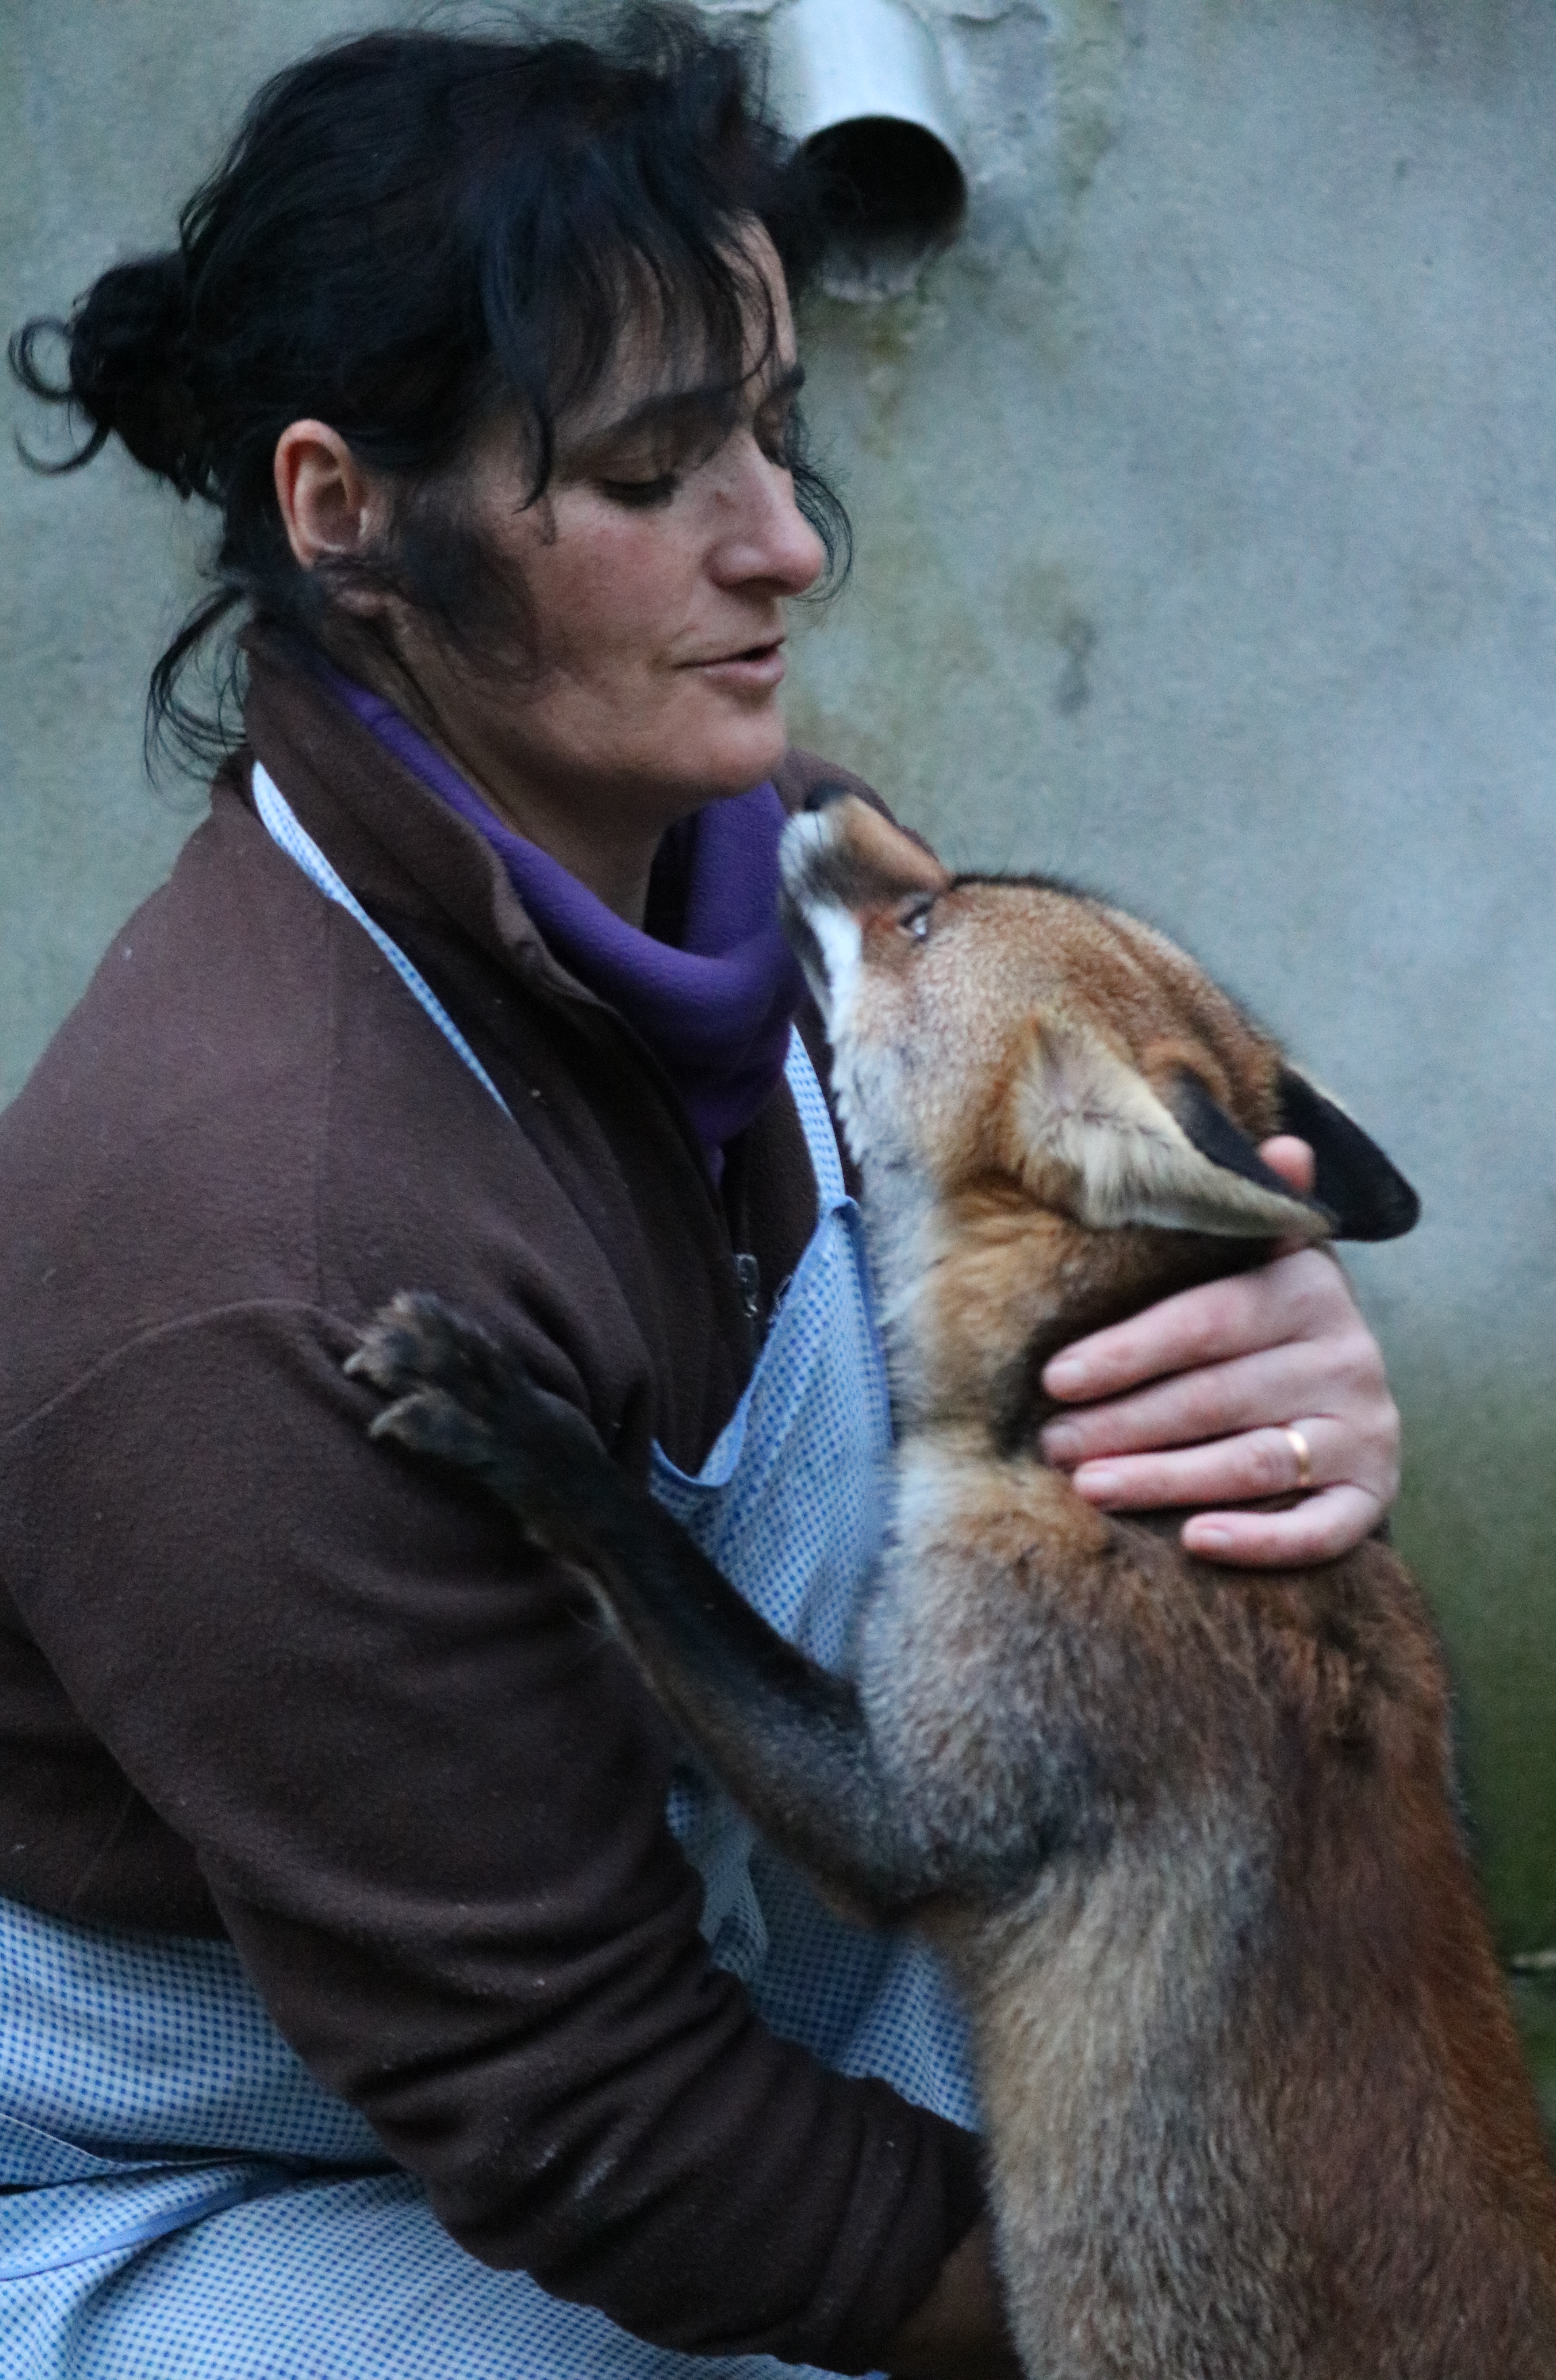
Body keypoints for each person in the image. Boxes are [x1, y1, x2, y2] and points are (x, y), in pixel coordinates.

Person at [0, 14, 1401, 2377]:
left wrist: (1284, 1382)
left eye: (771, 428)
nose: (788, 543)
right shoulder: (243, 1242)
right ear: (348, 514)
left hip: (773, 1930)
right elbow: (612, 2133)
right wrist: (1214, 2313)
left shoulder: (780, 865)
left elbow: (1160, 1312)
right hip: (276, 2165)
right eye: (659, 467)